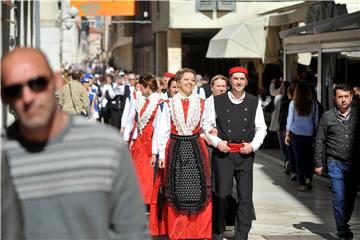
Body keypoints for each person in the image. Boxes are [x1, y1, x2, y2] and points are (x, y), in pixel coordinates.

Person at [1, 47, 149, 239]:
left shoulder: (107, 146)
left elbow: (132, 231)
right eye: (14, 90)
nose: (27, 97)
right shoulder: (4, 153)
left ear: (56, 82)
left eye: (37, 83)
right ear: (4, 97)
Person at [204, 66, 267, 240]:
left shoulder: (254, 101)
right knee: (222, 194)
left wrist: (253, 146)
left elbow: (261, 128)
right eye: (235, 78)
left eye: (242, 79)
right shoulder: (217, 100)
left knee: (245, 196)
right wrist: (218, 143)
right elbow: (207, 126)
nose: (238, 82)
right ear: (230, 80)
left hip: (245, 154)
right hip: (223, 154)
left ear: (246, 81)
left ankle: (242, 234)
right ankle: (218, 230)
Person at [149, 68, 213, 240]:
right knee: (177, 190)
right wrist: (161, 155)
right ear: (177, 82)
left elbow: (206, 125)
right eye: (186, 79)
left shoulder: (202, 103)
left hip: (195, 148)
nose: (190, 82)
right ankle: (178, 231)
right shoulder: (168, 104)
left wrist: (212, 134)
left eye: (192, 80)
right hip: (175, 148)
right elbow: (163, 130)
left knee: (197, 188)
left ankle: (197, 231)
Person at [314, 84, 359, 240]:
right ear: (335, 98)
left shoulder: (358, 115)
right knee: (339, 197)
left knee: (350, 197)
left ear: (351, 98)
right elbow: (320, 140)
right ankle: (341, 230)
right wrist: (318, 163)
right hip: (335, 162)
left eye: (346, 97)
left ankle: (343, 223)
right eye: (340, 97)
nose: (343, 100)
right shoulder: (327, 116)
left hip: (354, 164)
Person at [123, 74, 162, 206]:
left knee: (149, 171)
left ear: (147, 87)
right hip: (140, 139)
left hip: (151, 139)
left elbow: (159, 125)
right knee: (140, 170)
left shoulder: (159, 101)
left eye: (142, 87)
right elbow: (131, 118)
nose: (139, 90)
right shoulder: (140, 100)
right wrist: (126, 138)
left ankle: (150, 198)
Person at [285, 80, 319, 191]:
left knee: (299, 159)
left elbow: (290, 120)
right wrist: (315, 134)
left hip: (296, 133)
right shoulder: (313, 103)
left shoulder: (293, 103)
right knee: (309, 158)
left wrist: (287, 134)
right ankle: (309, 178)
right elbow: (316, 121)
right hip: (309, 134)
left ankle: (301, 183)